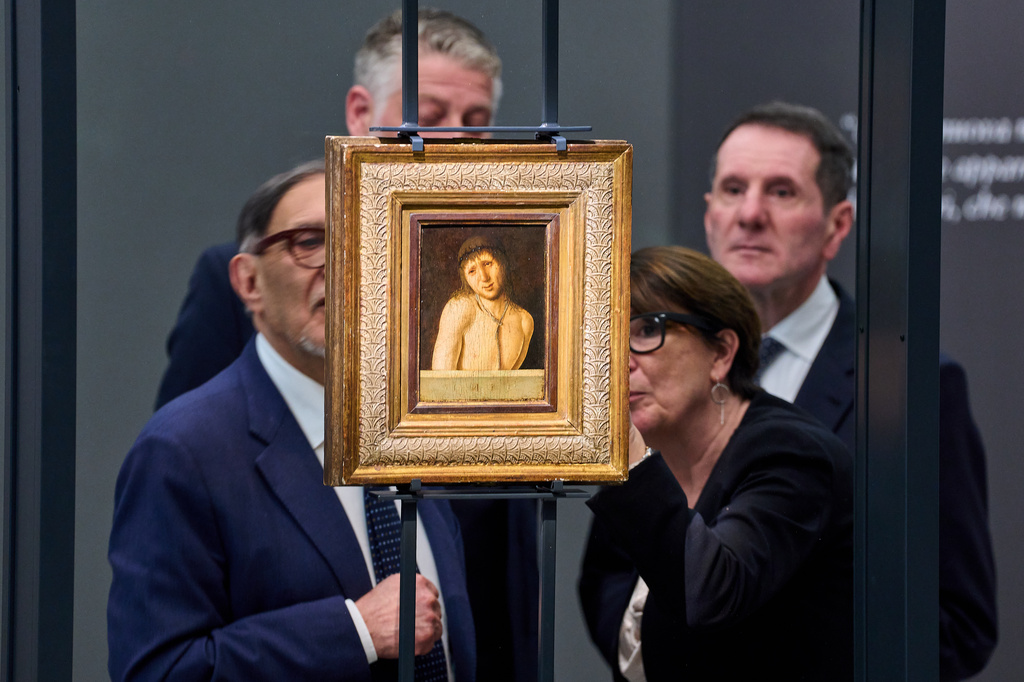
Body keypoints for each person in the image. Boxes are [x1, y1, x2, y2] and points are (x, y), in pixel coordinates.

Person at [151, 11, 539, 682]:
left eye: (475, 122)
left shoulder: (516, 288)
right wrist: (352, 627)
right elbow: (191, 489)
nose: (453, 140)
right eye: (431, 112)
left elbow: (506, 533)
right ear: (361, 114)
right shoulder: (259, 283)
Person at [108, 161, 476, 680]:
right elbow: (159, 670)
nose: (344, 262)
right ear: (249, 281)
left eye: (364, 237)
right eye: (310, 242)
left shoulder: (415, 423)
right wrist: (355, 632)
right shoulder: (183, 450)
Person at [704, 100, 998, 679]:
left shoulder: (916, 387)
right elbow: (616, 573)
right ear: (709, 210)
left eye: (782, 192)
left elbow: (960, 622)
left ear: (838, 225)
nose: (751, 213)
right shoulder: (655, 363)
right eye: (733, 189)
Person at [579, 245, 854, 680]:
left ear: (722, 353)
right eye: (606, 337)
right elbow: (605, 584)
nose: (619, 360)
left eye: (648, 329)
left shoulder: (793, 455)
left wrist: (630, 458)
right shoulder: (654, 459)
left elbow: (711, 592)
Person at [432, 236, 534, 370]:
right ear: (466, 279)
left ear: (503, 264)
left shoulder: (524, 321)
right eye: (472, 271)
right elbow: (440, 380)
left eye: (487, 264)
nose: (484, 278)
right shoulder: (458, 308)